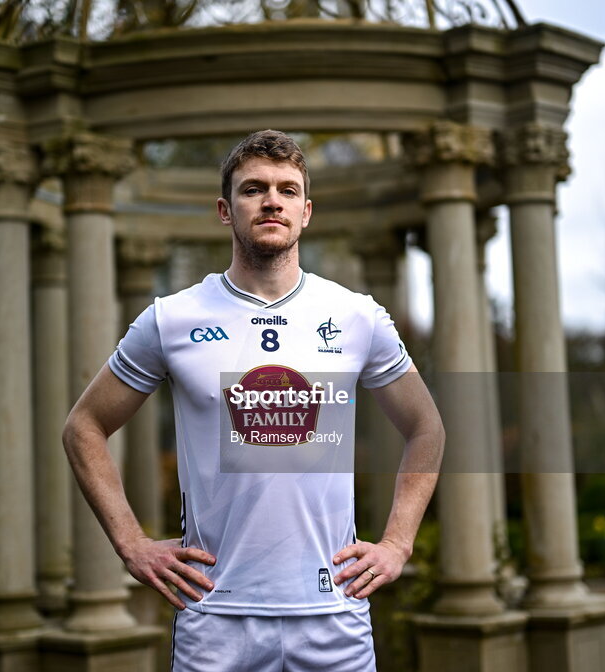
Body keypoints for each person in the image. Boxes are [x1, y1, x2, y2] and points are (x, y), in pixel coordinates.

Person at [63, 129, 444, 671]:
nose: (272, 201)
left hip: (333, 614)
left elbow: (427, 428)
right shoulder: (172, 320)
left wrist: (397, 544)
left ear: (306, 211)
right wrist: (131, 543)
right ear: (225, 209)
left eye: (288, 190)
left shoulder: (358, 316)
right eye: (253, 189)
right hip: (215, 618)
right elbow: (83, 426)